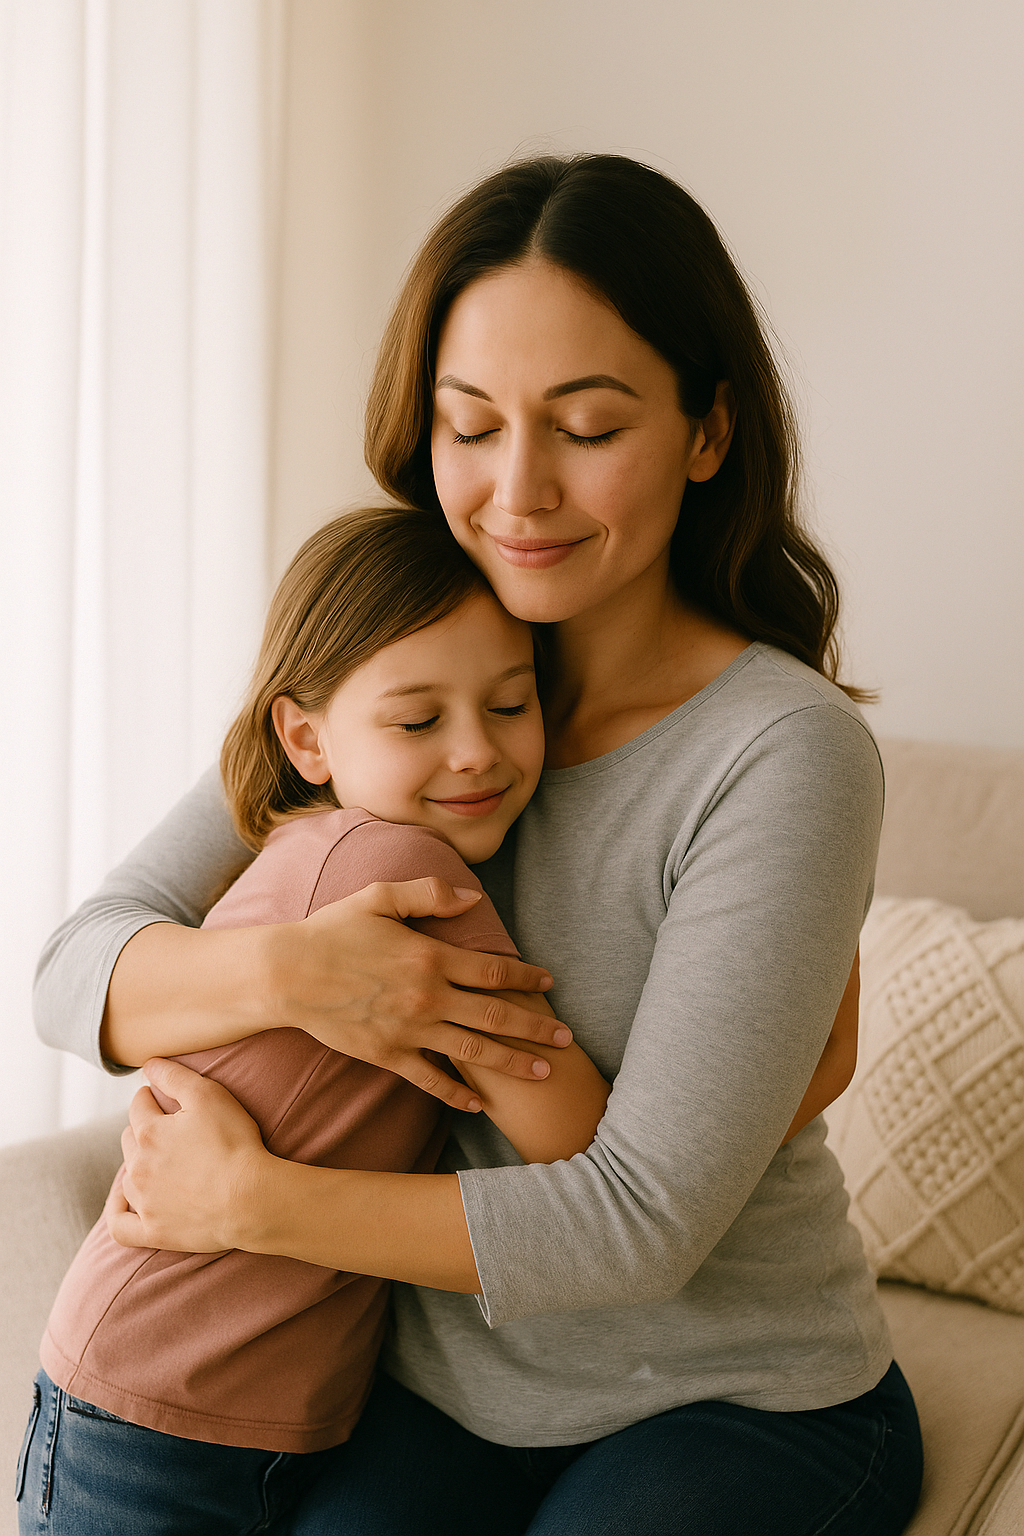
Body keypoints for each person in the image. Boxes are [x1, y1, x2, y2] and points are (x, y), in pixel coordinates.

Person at [31, 154, 923, 1535]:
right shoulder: (399, 675)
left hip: (734, 1394)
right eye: (471, 424)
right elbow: (76, 969)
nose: (519, 488)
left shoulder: (780, 753)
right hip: (445, 1387)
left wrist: (253, 1202)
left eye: (585, 425)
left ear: (706, 429)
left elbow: (638, 1223)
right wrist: (297, 980)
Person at [19, 507, 614, 1533]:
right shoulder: (406, 872)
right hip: (159, 1409)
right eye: (418, 721)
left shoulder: (317, 849)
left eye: (511, 704)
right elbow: (576, 1133)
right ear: (304, 737)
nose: (475, 752)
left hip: (241, 1405)